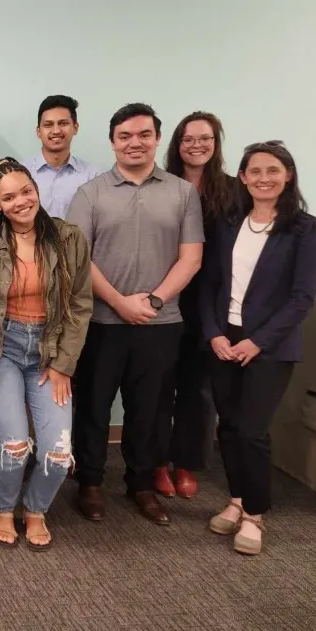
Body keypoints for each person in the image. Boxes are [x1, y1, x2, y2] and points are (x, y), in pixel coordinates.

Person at [65, 103, 204, 525]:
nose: (134, 143)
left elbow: (191, 257)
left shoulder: (182, 192)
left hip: (160, 324)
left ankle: (141, 484)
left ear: (157, 139)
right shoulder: (91, 192)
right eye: (125, 136)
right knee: (94, 405)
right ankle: (89, 483)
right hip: (103, 322)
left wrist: (156, 300)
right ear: (112, 142)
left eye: (144, 135)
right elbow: (77, 257)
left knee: (150, 409)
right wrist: (121, 302)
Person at [201, 141, 316, 555]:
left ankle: (255, 514)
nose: (263, 178)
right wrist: (215, 333)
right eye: (255, 171)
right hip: (224, 339)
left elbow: (302, 298)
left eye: (273, 170)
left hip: (270, 346)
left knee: (252, 431)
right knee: (229, 427)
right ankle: (236, 500)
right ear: (242, 177)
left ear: (288, 175)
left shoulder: (305, 229)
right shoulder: (229, 223)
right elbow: (211, 284)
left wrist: (257, 341)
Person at [0, 159, 93, 550]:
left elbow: (80, 305)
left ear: (35, 190)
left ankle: (35, 509)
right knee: (16, 445)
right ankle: (3, 508)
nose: (21, 201)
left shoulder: (68, 237)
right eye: (9, 197)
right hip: (0, 349)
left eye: (26, 191)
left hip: (49, 350)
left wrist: (62, 365)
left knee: (58, 453)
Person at [156, 111, 237, 499]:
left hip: (210, 300)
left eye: (205, 138)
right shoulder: (162, 185)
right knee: (158, 384)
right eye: (188, 139)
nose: (197, 145)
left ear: (216, 143)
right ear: (177, 144)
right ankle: (156, 461)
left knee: (197, 387)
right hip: (164, 294)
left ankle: (186, 462)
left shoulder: (235, 190)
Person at [24, 95, 101, 219]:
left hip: (79, 239)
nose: (56, 131)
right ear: (38, 131)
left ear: (75, 128)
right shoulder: (22, 173)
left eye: (63, 123)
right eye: (48, 125)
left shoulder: (92, 176)